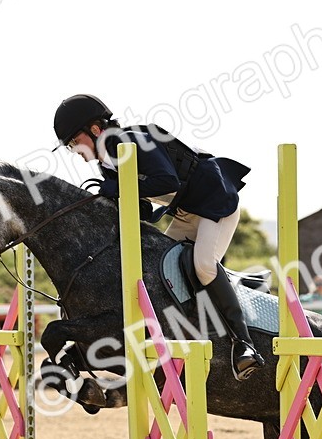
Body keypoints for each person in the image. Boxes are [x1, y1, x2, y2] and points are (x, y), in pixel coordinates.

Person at [52, 94, 263, 380]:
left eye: (74, 142)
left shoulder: (134, 140)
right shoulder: (107, 162)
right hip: (185, 213)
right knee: (156, 266)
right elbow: (142, 204)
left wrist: (117, 187)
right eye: (69, 146)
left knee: (203, 265)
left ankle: (244, 344)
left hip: (216, 204)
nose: (74, 149)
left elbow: (166, 181)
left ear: (95, 130)